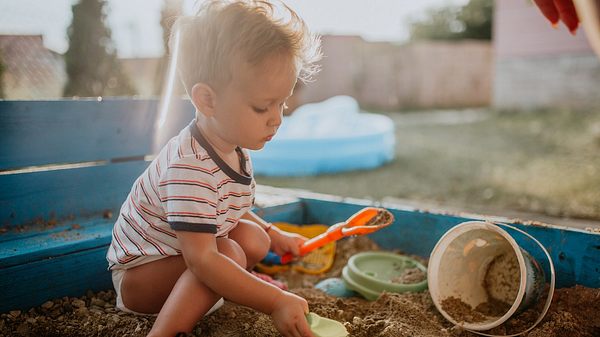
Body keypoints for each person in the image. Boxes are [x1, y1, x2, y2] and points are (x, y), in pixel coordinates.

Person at [105, 1, 322, 336]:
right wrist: (274, 300)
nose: (277, 118)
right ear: (207, 100)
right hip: (142, 278)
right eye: (263, 106)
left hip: (180, 256)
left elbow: (224, 208)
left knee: (253, 238)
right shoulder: (190, 166)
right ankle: (164, 330)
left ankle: (226, 286)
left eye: (282, 103)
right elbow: (202, 260)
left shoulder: (229, 145)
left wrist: (272, 232)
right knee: (227, 252)